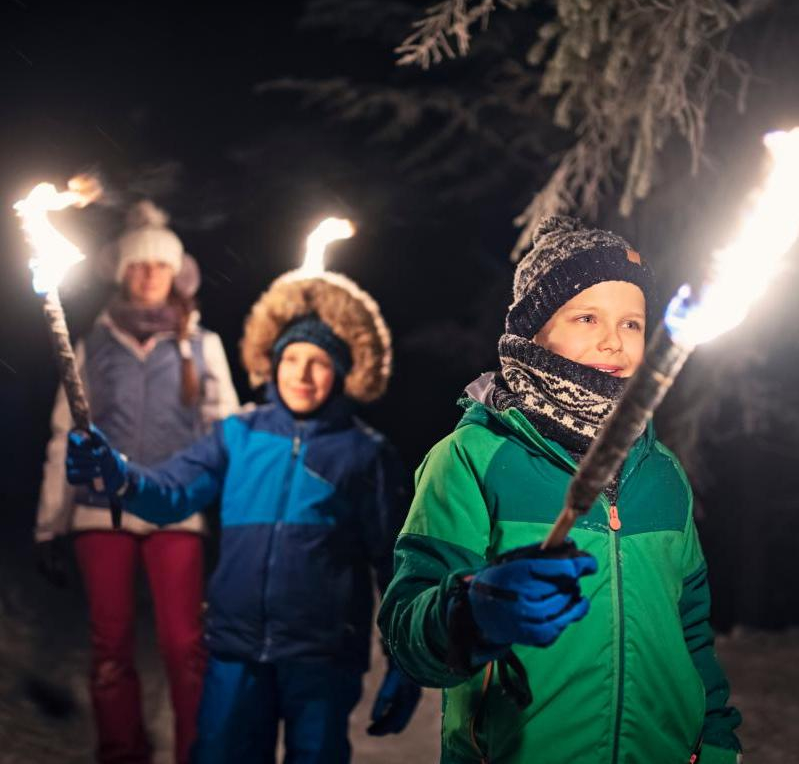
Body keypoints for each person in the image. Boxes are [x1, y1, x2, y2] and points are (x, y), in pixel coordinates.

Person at [377, 216, 743, 764]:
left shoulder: (662, 472)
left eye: (633, 324)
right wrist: (470, 615)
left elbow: (690, 630)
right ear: (534, 328)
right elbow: (408, 625)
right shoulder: (472, 459)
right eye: (587, 316)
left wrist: (714, 744)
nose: (612, 341)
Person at [65, 267, 421, 763]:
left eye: (319, 362)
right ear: (272, 362)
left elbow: (394, 561)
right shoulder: (239, 435)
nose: (301, 374)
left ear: (342, 372)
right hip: (236, 648)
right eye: (291, 358)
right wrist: (118, 473)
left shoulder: (365, 453)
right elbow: (171, 491)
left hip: (321, 654)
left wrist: (406, 658)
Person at [36, 200, 240, 764]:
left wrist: (230, 509)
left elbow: (226, 437)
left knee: (184, 645)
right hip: (100, 511)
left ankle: (198, 752)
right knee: (110, 647)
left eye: (160, 266)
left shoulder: (202, 345)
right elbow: (63, 437)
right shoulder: (94, 345)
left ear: (176, 275)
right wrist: (50, 525)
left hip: (179, 510)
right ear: (122, 271)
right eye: (139, 265)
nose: (149, 275)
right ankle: (121, 750)